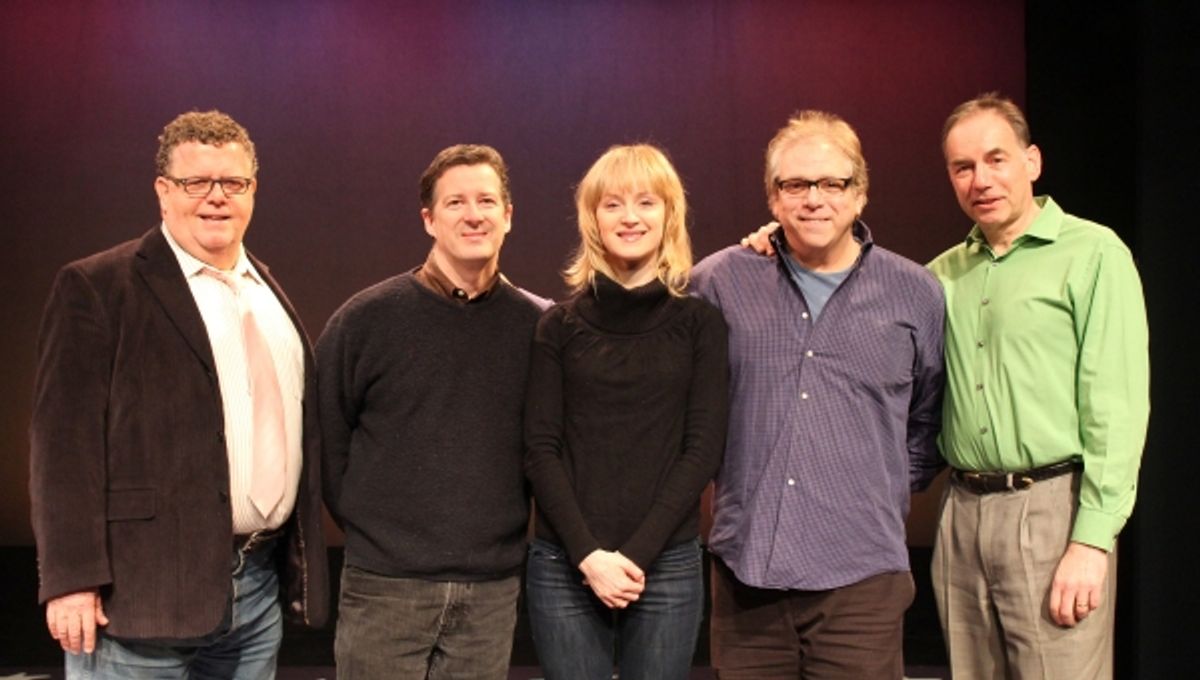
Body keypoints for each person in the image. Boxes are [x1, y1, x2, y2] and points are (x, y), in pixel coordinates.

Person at [29, 110, 330, 678]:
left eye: (233, 183)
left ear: (252, 192)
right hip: (140, 599)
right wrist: (71, 580)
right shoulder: (98, 286)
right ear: (164, 192)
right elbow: (62, 449)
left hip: (258, 591)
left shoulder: (268, 293)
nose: (216, 197)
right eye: (197, 182)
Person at [691, 110, 945, 679]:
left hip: (862, 582)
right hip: (746, 576)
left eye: (833, 184)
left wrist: (866, 489)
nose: (814, 199)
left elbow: (929, 422)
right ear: (773, 199)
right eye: (796, 185)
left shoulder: (915, 294)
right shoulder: (719, 283)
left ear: (860, 196)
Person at [928, 93, 1149, 679]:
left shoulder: (1093, 253)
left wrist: (1092, 541)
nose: (981, 179)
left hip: (1053, 510)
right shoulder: (940, 274)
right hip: (963, 515)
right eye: (963, 167)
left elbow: (1116, 407)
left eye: (996, 159)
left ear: (1032, 161)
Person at [317, 144, 544, 679]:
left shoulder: (535, 327)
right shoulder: (365, 321)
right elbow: (327, 440)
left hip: (490, 589)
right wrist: (376, 532)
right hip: (386, 586)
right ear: (428, 219)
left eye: (487, 201)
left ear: (508, 216)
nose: (473, 214)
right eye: (455, 202)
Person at [522, 144, 729, 680]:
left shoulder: (700, 324)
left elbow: (702, 449)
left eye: (646, 202)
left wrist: (635, 555)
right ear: (592, 218)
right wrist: (589, 556)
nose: (630, 217)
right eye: (612, 204)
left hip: (666, 563)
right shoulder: (557, 327)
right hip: (565, 563)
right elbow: (540, 449)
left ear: (669, 216)